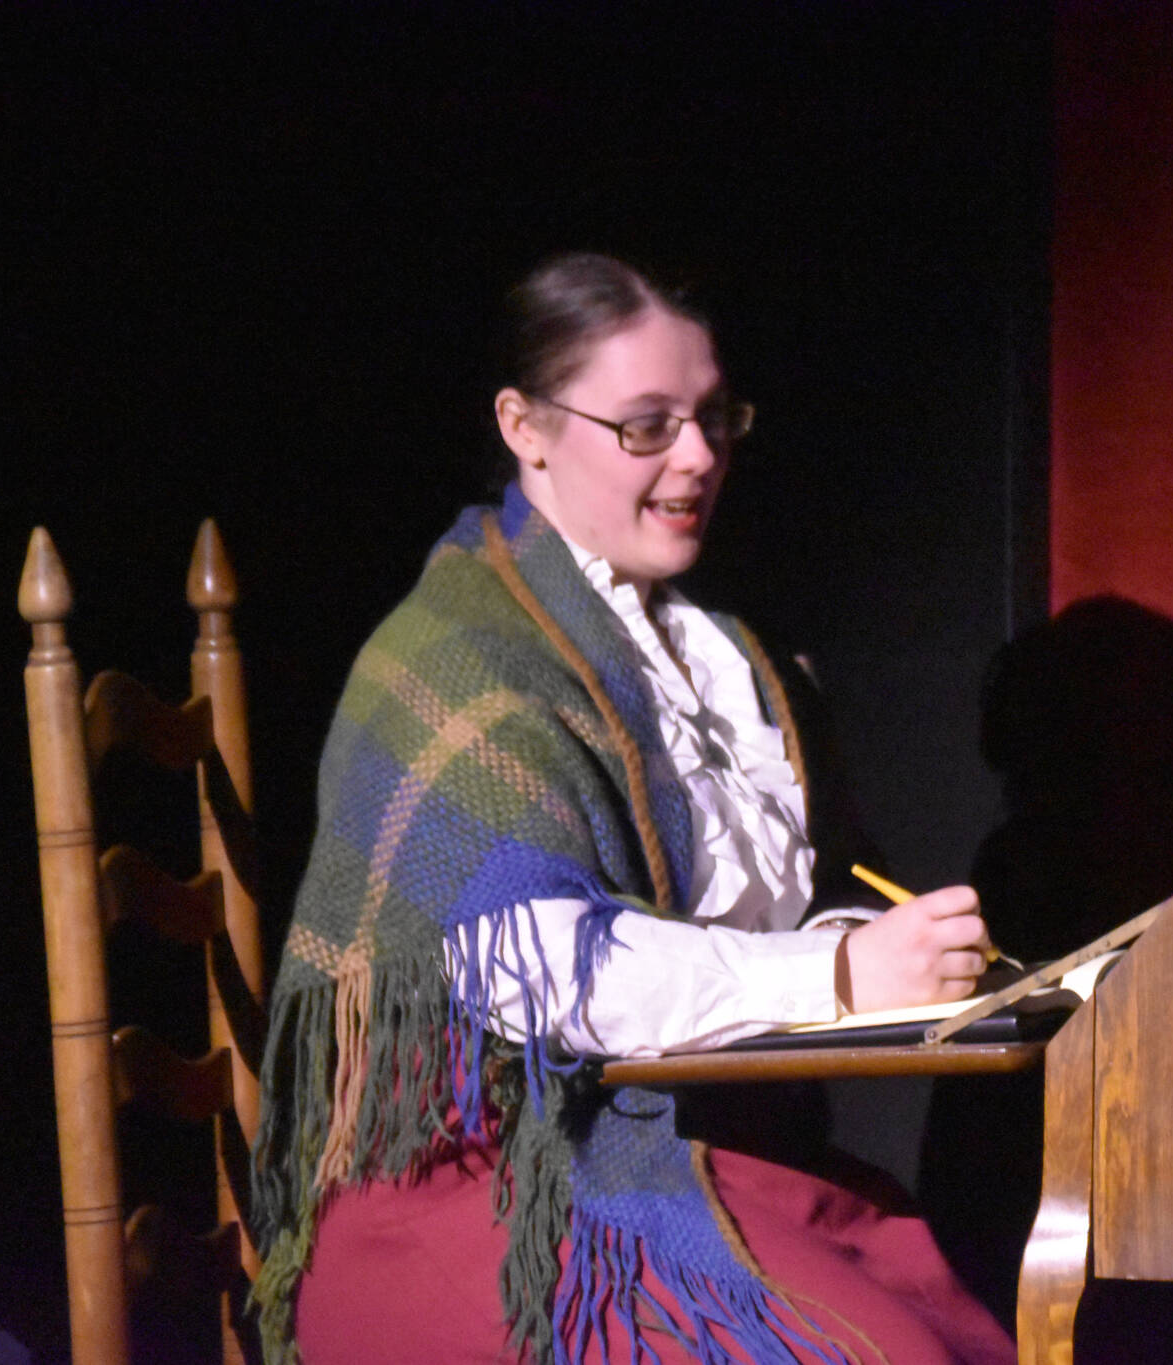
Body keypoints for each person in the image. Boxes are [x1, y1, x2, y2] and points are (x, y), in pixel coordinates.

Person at [250, 253, 1015, 1365]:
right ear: (526, 426)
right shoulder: (461, 655)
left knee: (959, 1327)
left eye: (713, 418)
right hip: (483, 1189)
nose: (699, 457)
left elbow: (817, 893)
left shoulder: (725, 657)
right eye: (647, 425)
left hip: (688, 1149)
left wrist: (892, 948)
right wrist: (839, 976)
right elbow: (539, 971)